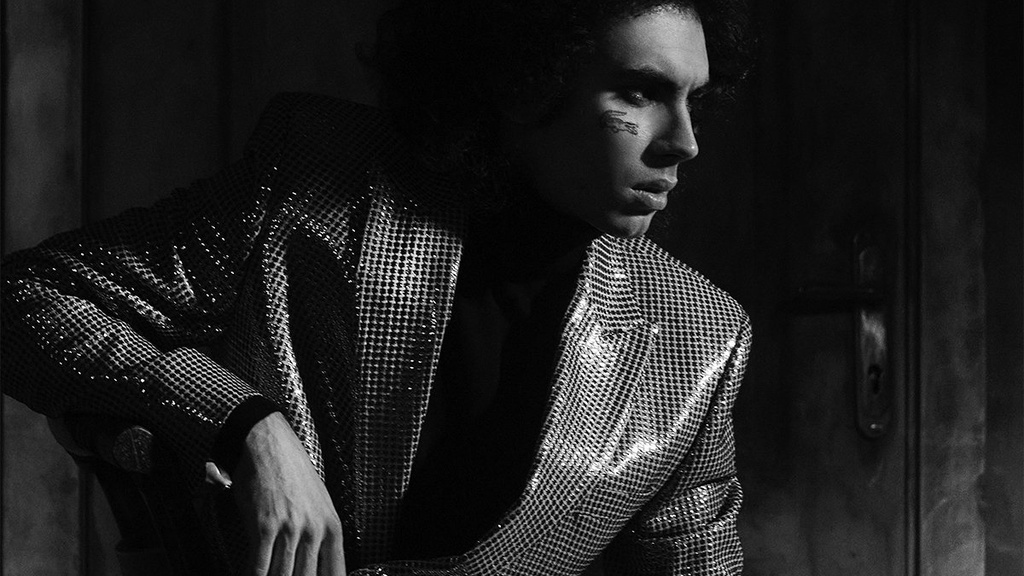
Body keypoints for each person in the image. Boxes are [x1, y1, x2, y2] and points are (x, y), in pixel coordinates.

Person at [1, 0, 755, 574]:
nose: (685, 142)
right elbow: (26, 299)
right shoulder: (317, 185)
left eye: (694, 99)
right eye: (640, 92)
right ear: (526, 82)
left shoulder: (700, 337)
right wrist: (246, 424)